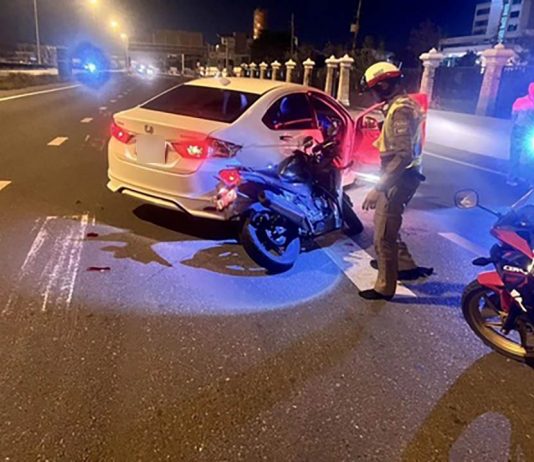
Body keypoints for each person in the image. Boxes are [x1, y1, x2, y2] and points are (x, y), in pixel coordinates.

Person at [358, 62, 432, 301]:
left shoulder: (400, 110)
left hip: (400, 177)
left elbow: (403, 155)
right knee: (388, 224)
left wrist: (378, 187)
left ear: (384, 85)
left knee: (382, 235)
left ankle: (384, 287)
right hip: (401, 175)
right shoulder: (400, 105)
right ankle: (403, 265)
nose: (373, 95)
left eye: (373, 90)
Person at [508, 83, 534, 186]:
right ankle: (517, 178)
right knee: (521, 155)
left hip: (524, 130)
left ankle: (516, 178)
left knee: (525, 155)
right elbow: (513, 116)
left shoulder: (520, 101)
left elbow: (513, 116)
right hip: (523, 131)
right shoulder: (520, 101)